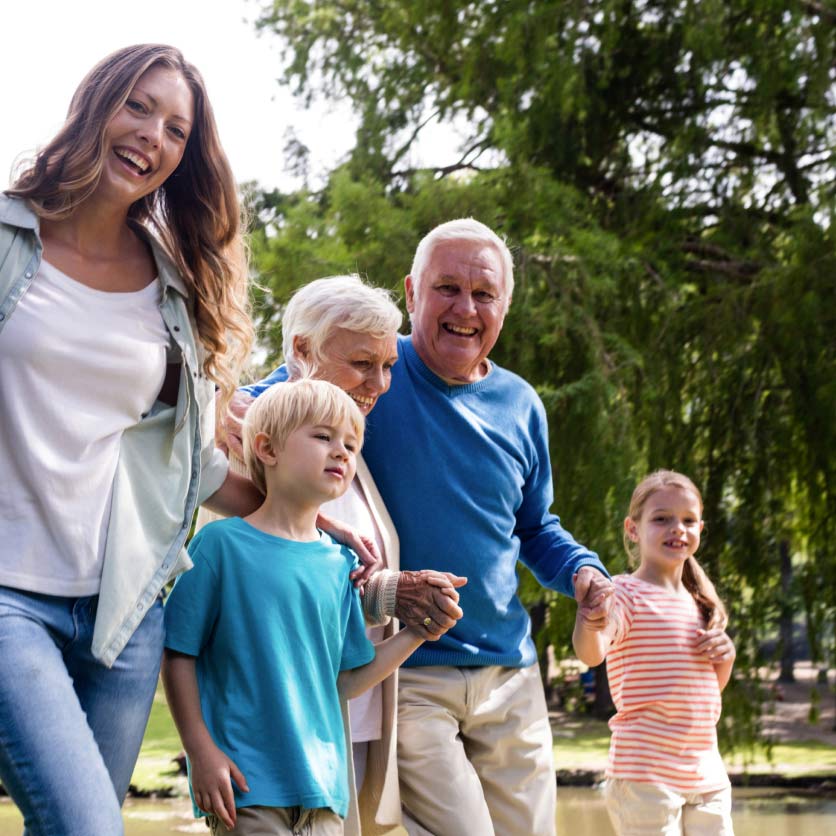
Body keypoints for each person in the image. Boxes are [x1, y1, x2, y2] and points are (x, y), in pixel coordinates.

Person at [232, 218, 613, 836]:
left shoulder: (521, 403)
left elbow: (536, 528)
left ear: (504, 307)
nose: (466, 308)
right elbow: (266, 408)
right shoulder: (365, 371)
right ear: (412, 293)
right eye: (447, 289)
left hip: (510, 672)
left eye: (484, 294)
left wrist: (584, 573)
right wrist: (235, 412)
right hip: (410, 668)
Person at [0, 44, 265, 836]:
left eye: (177, 129)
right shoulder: (10, 236)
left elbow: (183, 460)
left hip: (123, 609)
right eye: (139, 107)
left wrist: (296, 507)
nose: (153, 136)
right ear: (95, 106)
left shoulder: (171, 283)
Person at [202, 274, 466, 835]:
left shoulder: (343, 441)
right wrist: (397, 594)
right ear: (301, 350)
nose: (381, 382)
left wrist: (418, 615)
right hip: (282, 729)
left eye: (387, 364)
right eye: (362, 363)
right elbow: (287, 579)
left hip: (353, 706)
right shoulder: (254, 436)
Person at [573, 470, 736, 836]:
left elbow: (706, 694)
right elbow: (591, 654)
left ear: (700, 529)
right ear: (633, 529)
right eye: (662, 519)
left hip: (706, 771)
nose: (677, 528)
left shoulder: (701, 602)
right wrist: (588, 619)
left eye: (688, 520)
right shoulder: (624, 593)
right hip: (645, 773)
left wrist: (726, 658)